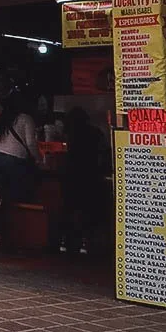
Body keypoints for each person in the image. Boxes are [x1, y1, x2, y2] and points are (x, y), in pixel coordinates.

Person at [0, 95, 42, 247]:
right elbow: (31, 143)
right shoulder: (26, 119)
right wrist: (38, 159)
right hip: (15, 159)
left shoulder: (2, 118)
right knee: (13, 197)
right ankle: (13, 235)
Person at [59, 107, 104, 254]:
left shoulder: (71, 134)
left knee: (70, 209)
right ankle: (86, 242)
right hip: (90, 175)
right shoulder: (96, 133)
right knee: (88, 210)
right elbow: (102, 154)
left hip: (72, 175)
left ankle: (67, 241)